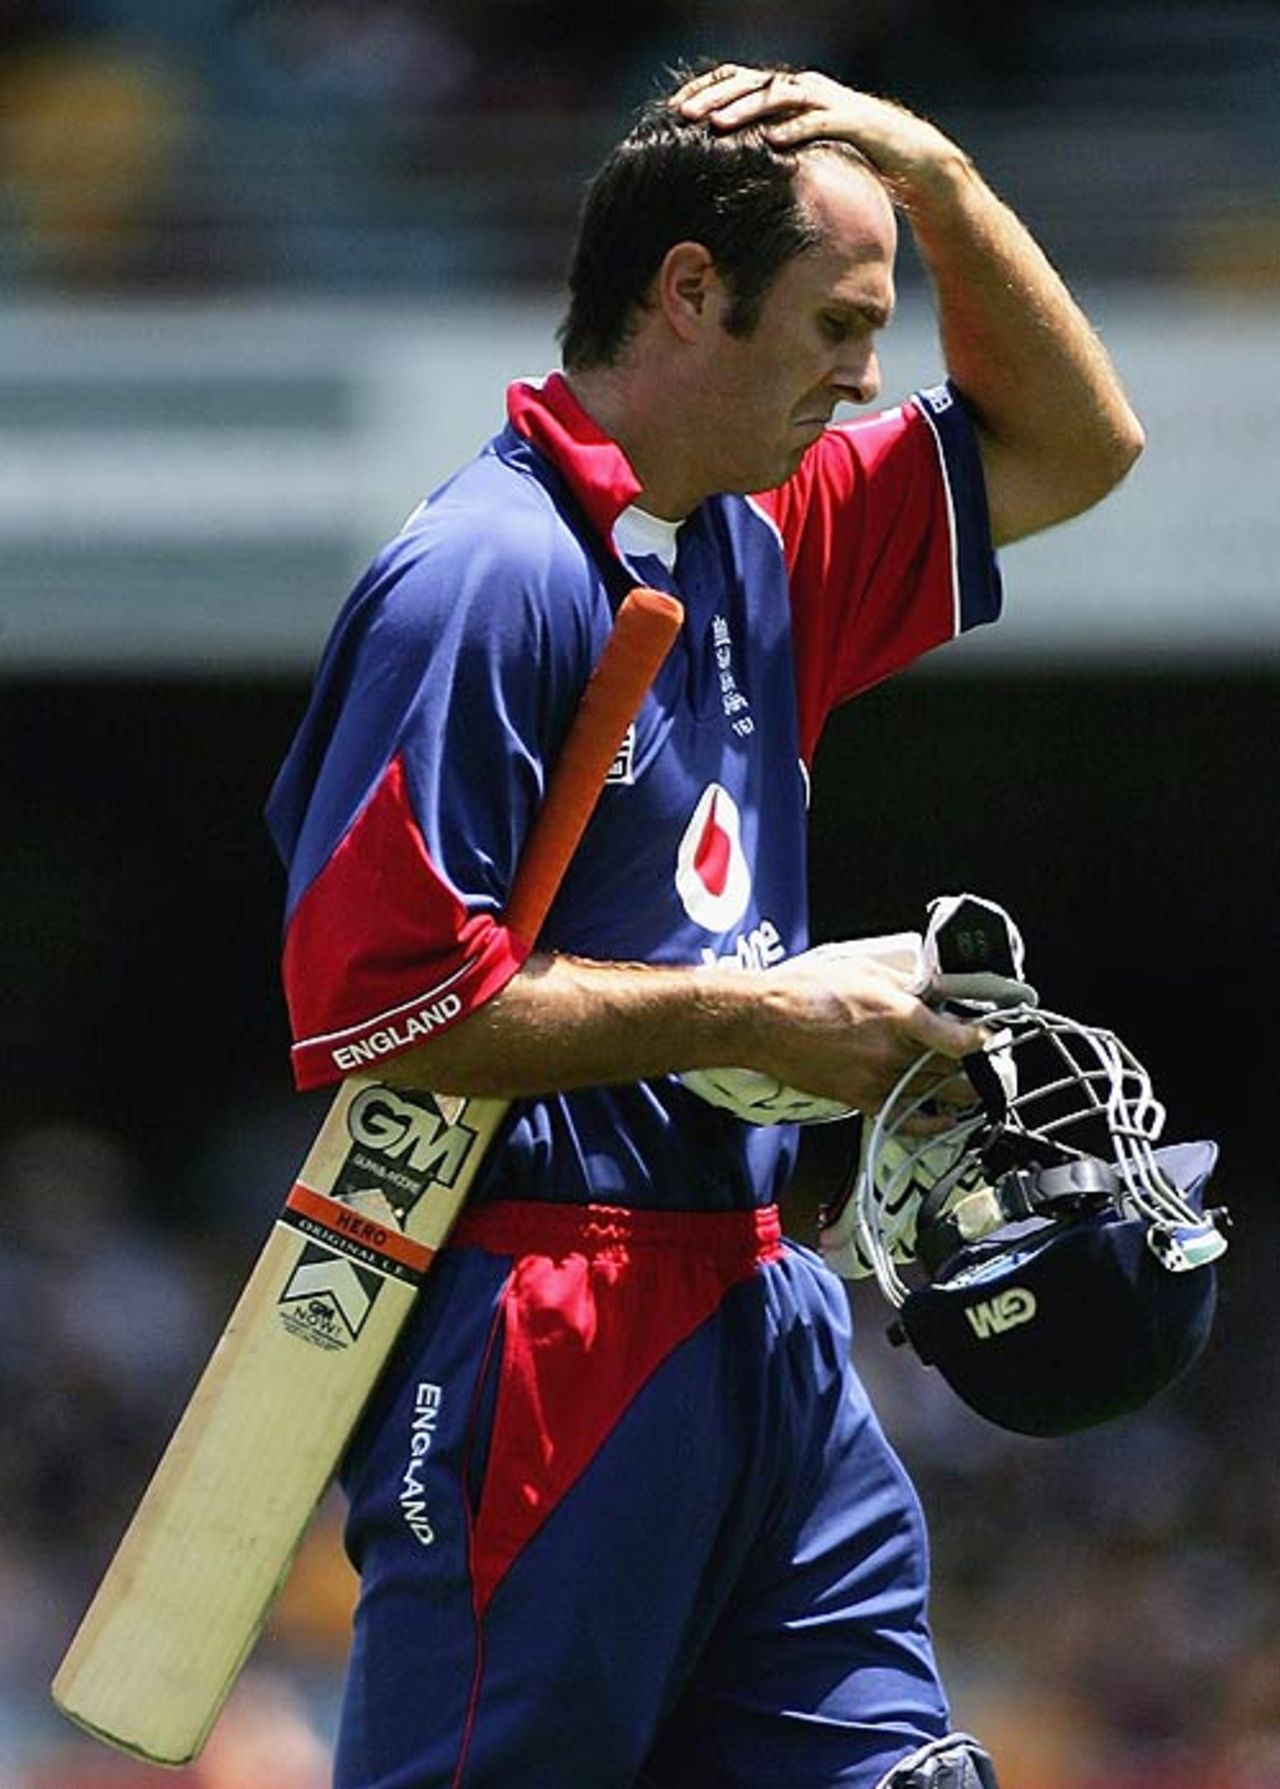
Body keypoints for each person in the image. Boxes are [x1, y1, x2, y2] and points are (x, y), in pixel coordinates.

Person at [266, 60, 1143, 1789]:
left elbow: (1077, 443)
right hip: (544, 1322)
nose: (867, 375)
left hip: (760, 1304)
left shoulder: (766, 532)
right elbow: (383, 1009)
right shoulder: (484, 576)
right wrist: (752, 1019)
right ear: (688, 290)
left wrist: (935, 174)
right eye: (837, 322)